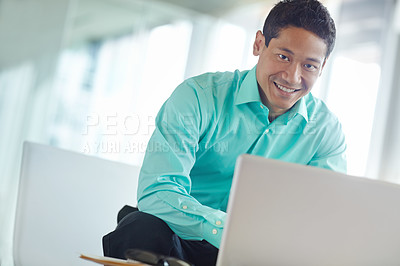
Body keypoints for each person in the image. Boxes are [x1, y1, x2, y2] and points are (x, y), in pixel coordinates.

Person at [102, 0, 347, 265]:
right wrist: (227, 229)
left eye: (309, 65)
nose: (292, 77)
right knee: (140, 228)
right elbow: (157, 190)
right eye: (283, 56)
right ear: (258, 44)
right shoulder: (198, 97)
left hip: (255, 255)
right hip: (179, 239)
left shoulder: (326, 132)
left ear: (322, 67)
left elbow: (322, 220)